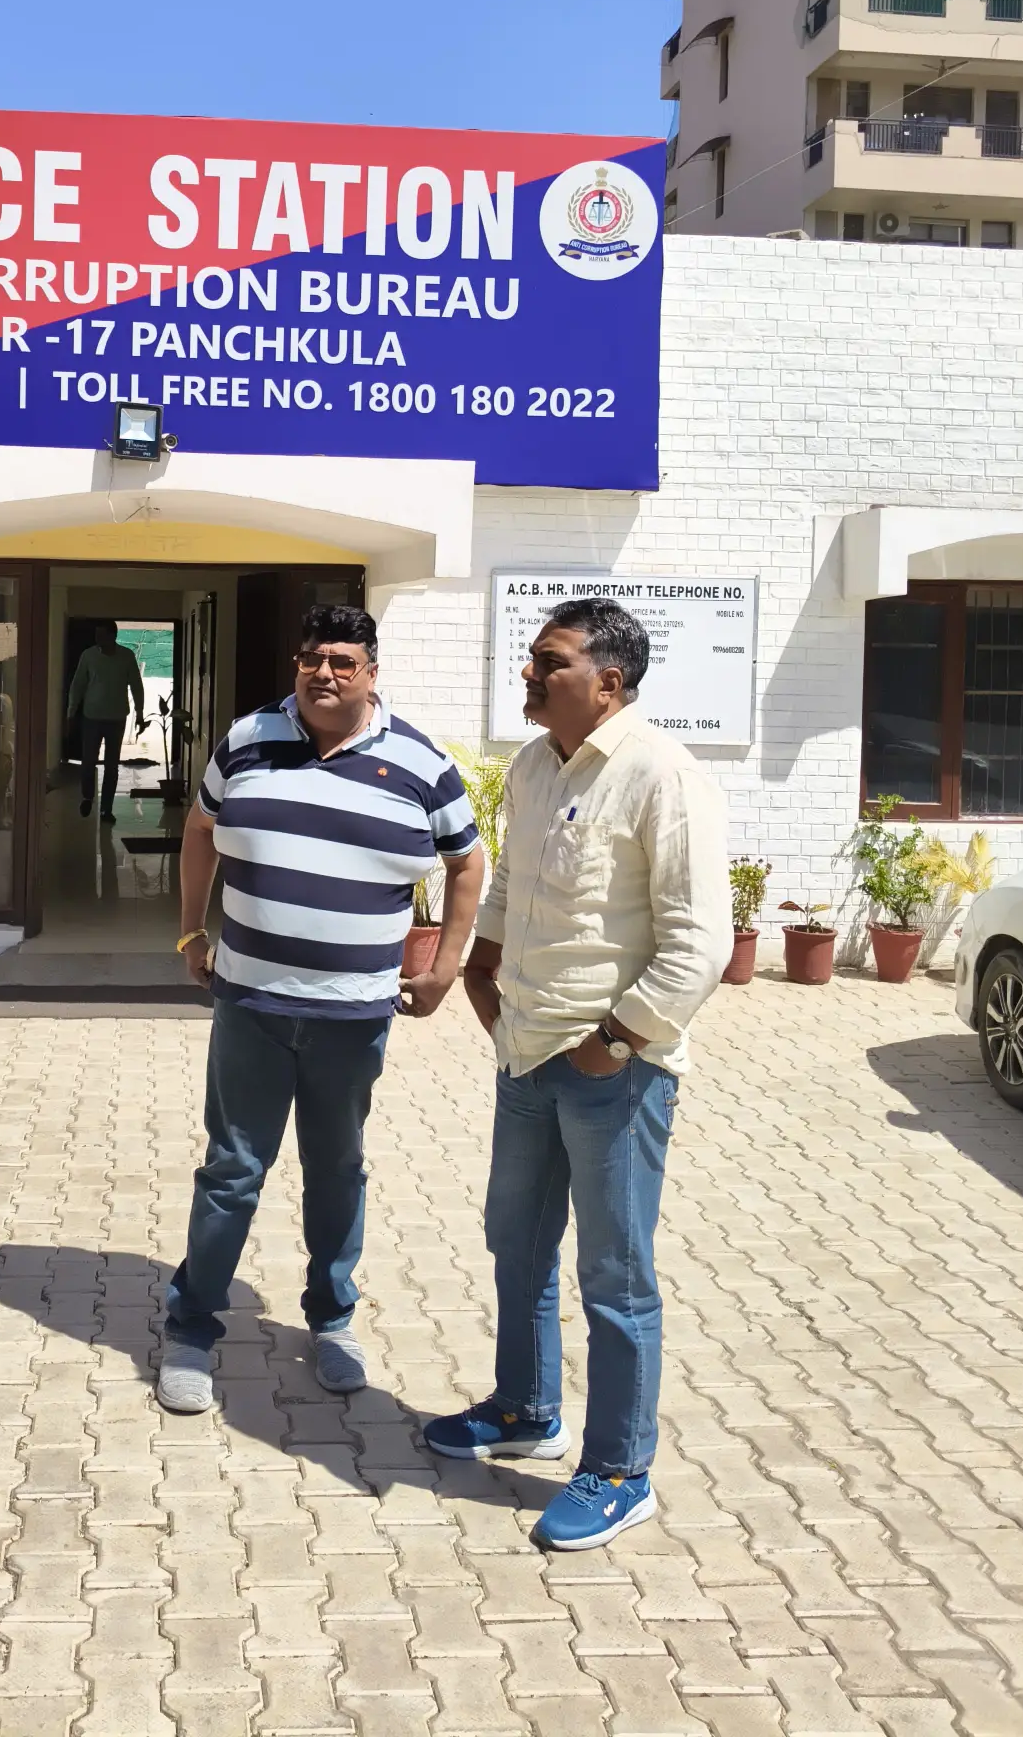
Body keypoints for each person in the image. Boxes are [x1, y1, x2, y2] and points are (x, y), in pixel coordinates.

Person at [425, 596, 731, 1552]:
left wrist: (615, 1042)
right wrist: (480, 967)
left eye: (548, 661)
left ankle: (620, 1470)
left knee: (615, 1276)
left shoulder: (662, 775)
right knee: (514, 1241)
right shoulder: (532, 765)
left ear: (609, 681)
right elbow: (515, 885)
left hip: (614, 1073)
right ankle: (526, 1409)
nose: (528, 673)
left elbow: (700, 943)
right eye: (531, 659)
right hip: (526, 1054)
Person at [158, 602, 486, 1415]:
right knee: (233, 1169)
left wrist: (446, 967)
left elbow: (468, 862)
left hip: (354, 1015)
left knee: (337, 1170)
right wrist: (192, 929)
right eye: (311, 658)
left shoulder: (420, 762)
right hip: (252, 1003)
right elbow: (199, 829)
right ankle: (192, 1327)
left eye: (343, 660)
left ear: (372, 672)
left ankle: (332, 1320)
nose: (324, 673)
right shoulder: (248, 740)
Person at [67, 621, 147, 821]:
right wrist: (71, 713)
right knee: (88, 762)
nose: (97, 639)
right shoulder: (88, 656)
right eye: (96, 635)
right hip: (92, 717)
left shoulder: (126, 656)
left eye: (102, 635)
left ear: (113, 636)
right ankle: (87, 797)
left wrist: (139, 713)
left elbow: (136, 685)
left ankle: (106, 809)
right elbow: (78, 684)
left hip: (116, 718)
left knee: (111, 766)